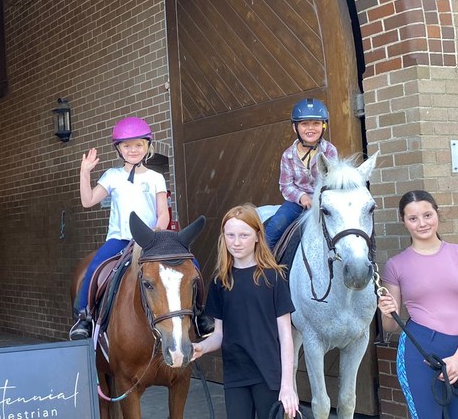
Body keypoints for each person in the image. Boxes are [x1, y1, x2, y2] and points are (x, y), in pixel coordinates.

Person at [70, 117, 212, 340]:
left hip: (152, 240)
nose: (133, 150)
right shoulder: (112, 176)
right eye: (127, 145)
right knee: (96, 266)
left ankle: (200, 314)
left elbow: (163, 213)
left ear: (148, 146)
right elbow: (88, 201)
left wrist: (155, 234)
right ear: (118, 149)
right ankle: (84, 317)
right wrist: (84, 172)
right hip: (120, 238)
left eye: (138, 144)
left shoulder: (156, 178)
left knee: (191, 263)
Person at [378, 190, 458, 418]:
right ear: (404, 221)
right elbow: (390, 326)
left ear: (437, 213)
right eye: (413, 218)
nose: (422, 223)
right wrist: (387, 313)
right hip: (420, 350)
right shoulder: (395, 265)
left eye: (427, 215)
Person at [192, 204, 298, 418]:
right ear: (223, 237)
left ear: (258, 236)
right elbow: (219, 334)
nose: (237, 242)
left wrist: (288, 385)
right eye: (230, 235)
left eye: (244, 235)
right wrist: (201, 347)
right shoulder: (220, 281)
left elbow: (286, 336)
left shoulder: (273, 278)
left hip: (268, 376)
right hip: (235, 376)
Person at [263, 98, 339, 249]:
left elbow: (333, 180)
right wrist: (302, 197)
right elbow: (285, 185)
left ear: (323, 125)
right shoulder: (288, 155)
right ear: (295, 127)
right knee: (274, 227)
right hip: (296, 203)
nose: (310, 128)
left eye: (316, 123)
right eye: (304, 124)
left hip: (324, 201)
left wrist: (319, 197)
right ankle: (266, 262)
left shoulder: (329, 151)